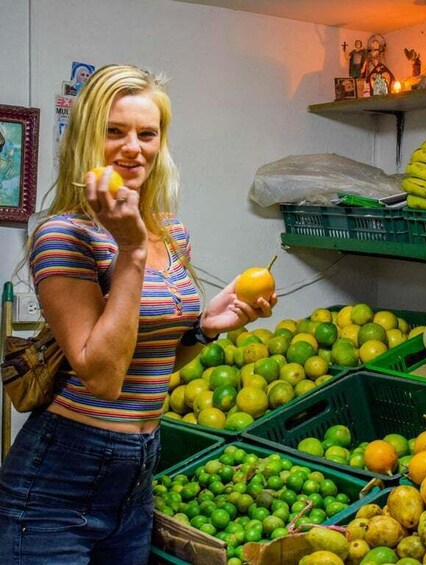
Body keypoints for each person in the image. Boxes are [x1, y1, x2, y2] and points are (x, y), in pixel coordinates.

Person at [0, 64, 276, 564]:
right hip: (59, 480)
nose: (133, 147)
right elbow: (104, 376)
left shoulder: (171, 233)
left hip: (137, 480)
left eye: (147, 134)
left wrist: (205, 328)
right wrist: (128, 250)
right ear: (87, 138)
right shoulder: (64, 234)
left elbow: (150, 366)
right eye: (114, 131)